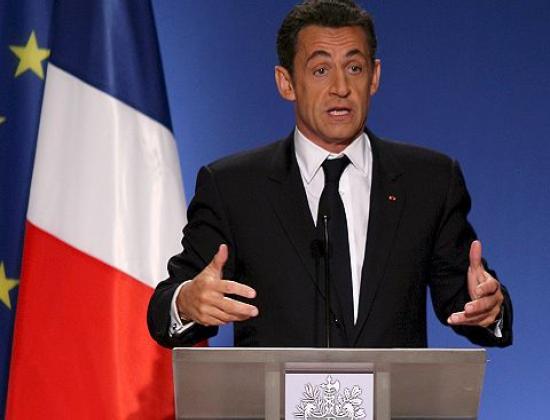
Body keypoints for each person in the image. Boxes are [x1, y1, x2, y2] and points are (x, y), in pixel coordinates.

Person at [147, 0, 512, 349]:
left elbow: (469, 298)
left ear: (374, 77)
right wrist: (187, 302)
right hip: (272, 395)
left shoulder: (429, 181)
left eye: (355, 68)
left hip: (391, 394)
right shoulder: (234, 187)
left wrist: (488, 307)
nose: (341, 87)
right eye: (320, 70)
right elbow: (164, 309)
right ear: (286, 83)